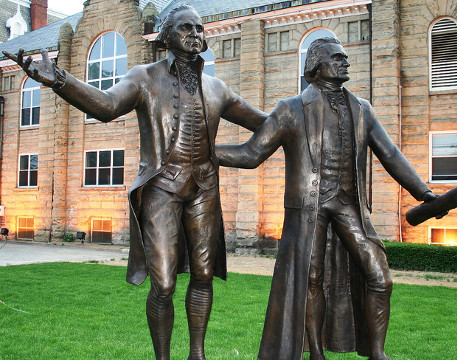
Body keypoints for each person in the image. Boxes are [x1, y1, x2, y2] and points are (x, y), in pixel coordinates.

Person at [4, 5, 266, 360]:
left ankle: (197, 354)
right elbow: (106, 105)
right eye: (185, 27)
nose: (195, 33)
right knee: (164, 283)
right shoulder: (145, 76)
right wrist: (61, 80)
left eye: (199, 28)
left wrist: (226, 151)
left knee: (203, 275)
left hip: (204, 189)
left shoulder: (217, 87)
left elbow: (265, 124)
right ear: (167, 35)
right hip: (162, 188)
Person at [216, 37, 438, 360]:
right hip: (309, 207)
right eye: (337, 57)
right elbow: (252, 153)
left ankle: (377, 352)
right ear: (316, 65)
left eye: (346, 56)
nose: (345, 61)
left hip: (349, 204)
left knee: (379, 275)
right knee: (312, 278)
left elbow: (390, 153)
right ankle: (316, 352)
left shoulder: (363, 110)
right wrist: (208, 152)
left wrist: (424, 192)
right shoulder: (290, 110)